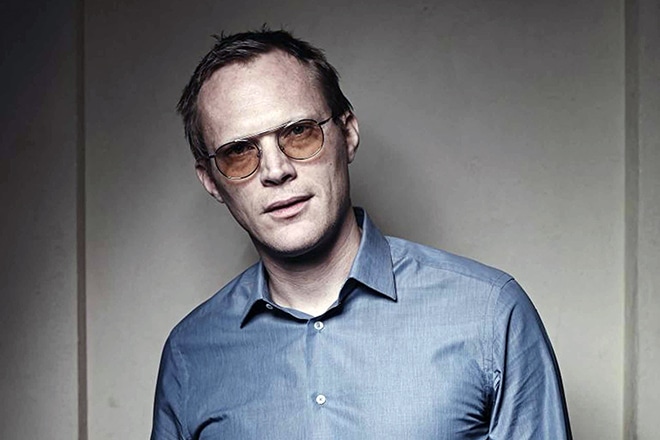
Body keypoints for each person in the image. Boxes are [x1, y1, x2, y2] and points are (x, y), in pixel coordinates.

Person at [151, 29, 572, 439]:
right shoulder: (189, 355)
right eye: (239, 152)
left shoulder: (489, 313)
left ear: (348, 134)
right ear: (211, 181)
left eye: (298, 132)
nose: (276, 171)